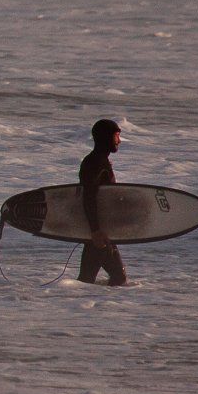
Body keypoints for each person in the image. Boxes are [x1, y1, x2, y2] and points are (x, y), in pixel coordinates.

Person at [78, 118, 128, 286]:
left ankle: (98, 308)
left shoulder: (101, 161)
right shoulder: (95, 163)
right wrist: (95, 231)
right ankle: (80, 307)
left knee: (117, 279)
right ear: (107, 137)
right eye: (116, 136)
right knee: (86, 281)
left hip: (103, 231)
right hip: (99, 233)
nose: (119, 140)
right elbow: (89, 196)